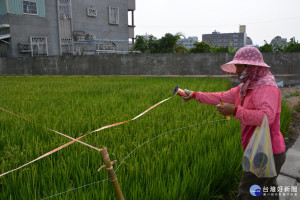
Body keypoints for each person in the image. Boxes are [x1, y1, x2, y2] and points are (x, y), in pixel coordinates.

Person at [183, 46, 286, 199]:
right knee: (267, 191)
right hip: (259, 148)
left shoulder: (266, 88)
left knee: (247, 192)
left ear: (251, 66)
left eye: (239, 65)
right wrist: (195, 95)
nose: (236, 69)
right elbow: (221, 96)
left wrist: (235, 111)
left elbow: (266, 117)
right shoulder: (246, 87)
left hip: (266, 150)